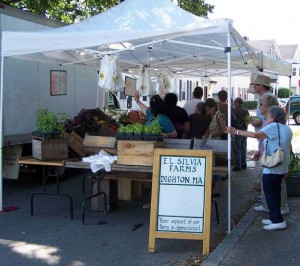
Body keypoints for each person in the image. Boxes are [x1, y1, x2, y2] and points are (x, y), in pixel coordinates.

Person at [227, 106, 293, 231]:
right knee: (275, 192)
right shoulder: (286, 129)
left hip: (273, 167)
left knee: (270, 193)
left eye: (267, 116)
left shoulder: (274, 127)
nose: (265, 118)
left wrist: (235, 131)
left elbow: (255, 134)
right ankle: (274, 217)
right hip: (281, 165)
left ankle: (278, 220)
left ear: (273, 117)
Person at [252, 94, 289, 215]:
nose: (259, 106)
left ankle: (281, 207)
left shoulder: (273, 122)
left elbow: (258, 136)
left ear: (268, 106)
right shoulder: (266, 120)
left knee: (276, 184)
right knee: (267, 183)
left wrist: (236, 131)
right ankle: (266, 205)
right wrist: (259, 151)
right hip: (267, 155)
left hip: (275, 158)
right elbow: (265, 140)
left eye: (262, 104)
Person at [203, 98, 227, 197]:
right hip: (213, 142)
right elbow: (209, 128)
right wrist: (206, 135)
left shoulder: (219, 116)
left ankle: (216, 189)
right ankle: (213, 187)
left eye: (209, 110)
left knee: (217, 165)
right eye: (206, 110)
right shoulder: (213, 116)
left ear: (214, 107)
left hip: (219, 142)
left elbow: (224, 129)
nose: (208, 112)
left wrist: (213, 134)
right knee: (213, 164)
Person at [232, 97, 250, 171]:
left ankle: (238, 166)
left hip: (238, 130)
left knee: (237, 148)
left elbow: (233, 120)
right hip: (245, 130)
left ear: (237, 103)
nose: (234, 104)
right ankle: (244, 164)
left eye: (234, 103)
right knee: (243, 148)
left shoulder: (235, 111)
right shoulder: (246, 110)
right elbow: (248, 120)